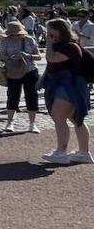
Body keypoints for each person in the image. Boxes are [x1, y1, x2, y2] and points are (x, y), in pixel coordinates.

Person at [38, 19, 91, 164]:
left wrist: (48, 43)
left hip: (69, 86)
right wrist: (41, 80)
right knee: (75, 119)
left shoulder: (70, 47)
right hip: (67, 86)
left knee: (59, 116)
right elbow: (52, 65)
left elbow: (51, 59)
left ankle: (61, 152)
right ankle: (83, 152)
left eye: (51, 31)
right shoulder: (63, 45)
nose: (48, 34)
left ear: (60, 30)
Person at [0, 21, 41, 134]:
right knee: (12, 96)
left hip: (30, 70)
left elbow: (38, 56)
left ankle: (32, 123)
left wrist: (28, 56)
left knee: (31, 96)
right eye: (12, 34)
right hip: (13, 71)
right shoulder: (5, 41)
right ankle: (9, 122)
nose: (15, 36)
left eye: (17, 34)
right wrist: (12, 58)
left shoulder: (29, 39)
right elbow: (3, 56)